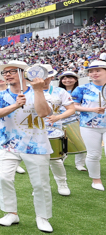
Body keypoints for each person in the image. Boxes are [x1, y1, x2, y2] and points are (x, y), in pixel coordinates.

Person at [0, 60, 54, 233]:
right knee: (4, 178)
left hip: (36, 144)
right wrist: (15, 105)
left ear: (24, 73)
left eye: (12, 71)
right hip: (7, 143)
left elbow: (43, 113)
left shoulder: (39, 91)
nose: (7, 74)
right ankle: (11, 213)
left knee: (40, 183)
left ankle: (42, 216)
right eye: (5, 72)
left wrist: (38, 90)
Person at [70, 60, 106, 191]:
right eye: (91, 71)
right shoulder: (81, 88)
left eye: (98, 70)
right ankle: (96, 180)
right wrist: (93, 110)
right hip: (89, 126)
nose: (94, 73)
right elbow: (73, 106)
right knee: (94, 154)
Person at [41, 65, 76, 196]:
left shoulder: (60, 92)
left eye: (46, 76)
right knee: (37, 160)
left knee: (56, 159)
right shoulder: (29, 92)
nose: (44, 79)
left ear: (51, 77)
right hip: (34, 130)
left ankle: (62, 183)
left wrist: (58, 117)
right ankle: (40, 187)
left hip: (54, 130)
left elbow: (71, 109)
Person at [58, 70, 86, 171]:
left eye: (70, 78)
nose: (67, 80)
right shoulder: (57, 91)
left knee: (80, 142)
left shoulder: (81, 91)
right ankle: (59, 161)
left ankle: (79, 164)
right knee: (60, 143)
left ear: (75, 79)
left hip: (76, 120)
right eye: (64, 78)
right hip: (59, 120)